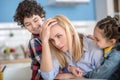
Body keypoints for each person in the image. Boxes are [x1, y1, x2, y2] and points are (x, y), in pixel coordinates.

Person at [39, 14, 103, 79]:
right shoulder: (56, 51)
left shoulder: (94, 48)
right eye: (51, 40)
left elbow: (104, 77)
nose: (56, 43)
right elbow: (47, 77)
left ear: (71, 31)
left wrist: (71, 76)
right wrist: (44, 42)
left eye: (59, 36)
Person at [13, 0, 54, 80]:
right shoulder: (34, 42)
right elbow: (48, 68)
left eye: (35, 20)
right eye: (28, 24)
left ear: (42, 16)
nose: (34, 26)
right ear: (24, 26)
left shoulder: (52, 32)